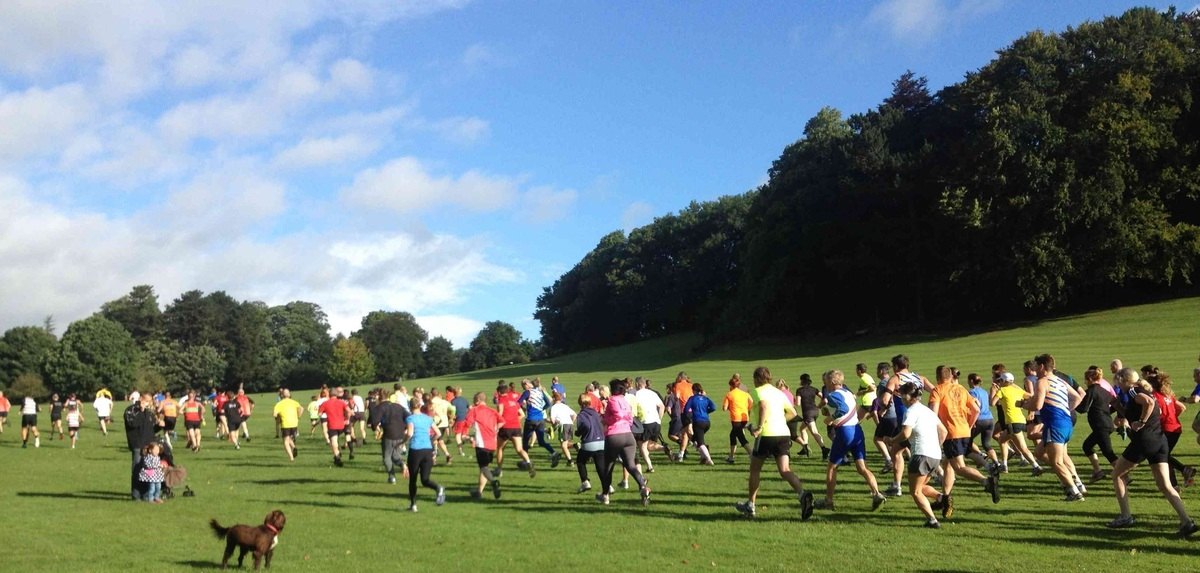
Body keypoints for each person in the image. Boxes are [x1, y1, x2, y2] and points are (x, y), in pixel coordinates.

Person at [1106, 368, 1198, 535]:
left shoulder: (1134, 390)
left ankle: (1125, 516)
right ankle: (1187, 522)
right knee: (1165, 485)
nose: (1116, 383)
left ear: (1123, 379)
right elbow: (1137, 409)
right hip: (1160, 441)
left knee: (1117, 475)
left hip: (1144, 441)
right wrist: (1117, 405)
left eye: (1117, 380)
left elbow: (1148, 403)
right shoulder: (1140, 391)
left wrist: (1141, 422)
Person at [734, 366, 815, 520]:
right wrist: (777, 420)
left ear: (757, 379)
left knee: (755, 469)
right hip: (783, 434)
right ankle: (802, 495)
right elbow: (793, 413)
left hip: (766, 435)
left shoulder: (758, 391)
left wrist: (759, 426)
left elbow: (763, 406)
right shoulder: (779, 392)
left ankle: (750, 505)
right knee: (785, 470)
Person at [929, 366, 999, 518]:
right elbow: (976, 410)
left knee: (959, 467)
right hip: (963, 430)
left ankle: (987, 482)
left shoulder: (938, 390)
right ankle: (946, 499)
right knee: (948, 464)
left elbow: (933, 414)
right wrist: (969, 425)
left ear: (938, 376)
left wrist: (933, 431)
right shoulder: (961, 389)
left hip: (950, 433)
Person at [815, 370, 887, 512]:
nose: (825, 384)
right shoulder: (847, 392)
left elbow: (843, 409)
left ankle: (828, 501)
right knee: (862, 468)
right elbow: (846, 407)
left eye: (827, 381)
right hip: (857, 431)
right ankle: (876, 494)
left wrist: (830, 418)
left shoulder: (832, 395)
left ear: (834, 382)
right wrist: (829, 412)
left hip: (844, 432)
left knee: (832, 467)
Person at [888, 381, 948, 528]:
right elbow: (944, 431)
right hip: (935, 455)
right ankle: (941, 498)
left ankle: (932, 520)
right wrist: (936, 446)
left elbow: (906, 433)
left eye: (903, 395)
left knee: (915, 492)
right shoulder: (928, 411)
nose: (901, 398)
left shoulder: (911, 411)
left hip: (921, 454)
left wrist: (891, 440)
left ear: (910, 396)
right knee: (921, 487)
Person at [1032, 354, 1086, 501]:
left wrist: (1023, 404)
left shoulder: (1042, 382)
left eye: (1036, 366)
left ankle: (1074, 491)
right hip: (1066, 423)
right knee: (1039, 452)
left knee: (1057, 462)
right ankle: (1070, 478)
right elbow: (1077, 396)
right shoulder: (1060, 380)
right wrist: (1066, 410)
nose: (1034, 369)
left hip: (1054, 425)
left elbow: (1037, 405)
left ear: (1042, 366)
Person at [599, 378, 650, 505]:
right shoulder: (625, 400)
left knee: (608, 467)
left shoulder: (612, 400)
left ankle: (605, 495)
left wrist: (606, 420)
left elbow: (615, 416)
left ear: (612, 390)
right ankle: (643, 486)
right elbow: (630, 418)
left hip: (614, 435)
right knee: (631, 465)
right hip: (628, 435)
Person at [1146, 369, 1193, 487]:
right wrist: (1172, 417)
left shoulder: (1154, 397)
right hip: (1175, 428)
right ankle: (1175, 484)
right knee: (1164, 457)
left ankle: (1184, 471)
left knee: (1162, 456)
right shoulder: (1167, 395)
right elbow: (1181, 408)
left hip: (1166, 430)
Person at [991, 371, 1040, 474]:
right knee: (1002, 440)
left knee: (1023, 447)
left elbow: (992, 403)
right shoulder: (1017, 391)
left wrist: (995, 391)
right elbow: (1031, 396)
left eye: (1000, 380)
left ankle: (1036, 466)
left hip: (1012, 422)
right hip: (1021, 420)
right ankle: (1004, 465)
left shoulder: (1002, 390)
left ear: (1003, 381)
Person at [1077, 366, 1118, 482]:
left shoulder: (1091, 391)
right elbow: (1115, 404)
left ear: (1089, 379)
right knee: (1087, 446)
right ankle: (1097, 471)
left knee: (1108, 452)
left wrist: (1073, 405)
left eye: (1085, 380)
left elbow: (1083, 409)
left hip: (1101, 426)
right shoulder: (1104, 391)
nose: (1085, 382)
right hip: (1107, 424)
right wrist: (1106, 413)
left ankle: (1124, 475)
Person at [405, 398, 445, 512]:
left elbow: (410, 433)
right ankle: (438, 488)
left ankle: (413, 505)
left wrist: (402, 442)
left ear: (410, 407)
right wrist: (431, 440)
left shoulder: (410, 418)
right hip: (427, 450)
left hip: (415, 450)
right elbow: (438, 433)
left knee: (413, 479)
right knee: (425, 479)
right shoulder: (428, 418)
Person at [464, 392, 501, 499]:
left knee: (483, 467)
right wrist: (496, 429)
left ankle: (494, 482)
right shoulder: (492, 410)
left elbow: (467, 423)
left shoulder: (474, 410)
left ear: (477, 400)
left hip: (481, 443)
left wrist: (465, 435)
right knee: (485, 467)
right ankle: (479, 492)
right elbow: (502, 421)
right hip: (492, 443)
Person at [124, 393, 159, 500]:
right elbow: (133, 424)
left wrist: (160, 425)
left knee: (147, 470)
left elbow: (151, 428)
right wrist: (141, 411)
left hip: (148, 445)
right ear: (141, 399)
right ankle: (136, 494)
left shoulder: (149, 412)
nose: (149, 403)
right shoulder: (131, 410)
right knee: (137, 469)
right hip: (137, 444)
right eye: (147, 400)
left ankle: (146, 493)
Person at [495, 382, 535, 477]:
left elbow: (500, 414)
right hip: (516, 427)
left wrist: (496, 426)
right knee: (519, 449)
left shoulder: (501, 401)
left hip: (505, 428)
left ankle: (499, 470)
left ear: (499, 392)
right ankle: (528, 463)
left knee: (500, 449)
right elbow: (522, 414)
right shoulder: (514, 401)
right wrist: (513, 419)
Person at [520, 379, 560, 467]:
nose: (523, 387)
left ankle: (526, 462)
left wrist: (522, 408)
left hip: (531, 419)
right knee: (541, 442)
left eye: (523, 385)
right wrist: (542, 408)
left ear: (528, 384)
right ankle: (554, 453)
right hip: (540, 420)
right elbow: (549, 403)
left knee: (525, 441)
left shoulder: (527, 392)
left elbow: (519, 402)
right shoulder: (540, 392)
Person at [573, 393, 606, 494]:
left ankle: (585, 482)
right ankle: (607, 485)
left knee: (580, 461)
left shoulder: (581, 415)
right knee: (600, 465)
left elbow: (585, 426)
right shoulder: (596, 413)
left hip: (589, 442)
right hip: (601, 442)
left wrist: (578, 433)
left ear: (580, 403)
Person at [375, 393, 410, 484]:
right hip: (400, 434)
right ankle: (403, 465)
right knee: (395, 456)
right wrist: (406, 428)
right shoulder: (399, 407)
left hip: (389, 434)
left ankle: (392, 477)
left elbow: (375, 421)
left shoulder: (382, 407)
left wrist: (377, 427)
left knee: (387, 457)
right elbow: (409, 417)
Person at [634, 377, 667, 470]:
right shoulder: (653, 393)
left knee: (642, 446)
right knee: (649, 445)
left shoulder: (636, 394)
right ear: (645, 384)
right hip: (656, 422)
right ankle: (664, 448)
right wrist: (659, 419)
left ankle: (650, 466)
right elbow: (661, 406)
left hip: (645, 422)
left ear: (637, 384)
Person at [966, 373, 997, 469]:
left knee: (966, 442)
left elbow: (974, 408)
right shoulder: (984, 391)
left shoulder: (972, 392)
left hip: (979, 420)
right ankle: (997, 463)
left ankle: (979, 458)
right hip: (989, 419)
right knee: (986, 444)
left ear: (971, 381)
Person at [795, 373, 828, 460]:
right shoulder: (814, 389)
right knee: (802, 429)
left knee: (814, 431)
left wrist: (794, 401)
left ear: (802, 381)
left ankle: (824, 448)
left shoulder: (799, 390)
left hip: (807, 413)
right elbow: (823, 397)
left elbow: (798, 403)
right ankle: (805, 447)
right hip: (816, 411)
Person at [722, 374, 753, 464]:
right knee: (732, 435)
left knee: (741, 437)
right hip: (745, 417)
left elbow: (724, 408)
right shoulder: (745, 394)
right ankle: (731, 457)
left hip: (736, 419)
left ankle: (752, 454)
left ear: (731, 386)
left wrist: (730, 407)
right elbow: (751, 403)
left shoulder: (729, 394)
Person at [683, 383, 717, 465]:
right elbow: (714, 407)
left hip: (698, 422)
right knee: (695, 439)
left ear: (693, 390)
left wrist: (690, 418)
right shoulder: (705, 398)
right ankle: (703, 457)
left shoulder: (692, 399)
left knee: (700, 442)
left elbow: (686, 409)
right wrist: (706, 411)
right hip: (707, 422)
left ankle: (709, 459)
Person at [319, 389, 353, 467]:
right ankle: (339, 453)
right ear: (337, 395)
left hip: (332, 425)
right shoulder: (342, 402)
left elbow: (320, 414)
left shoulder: (325, 403)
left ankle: (337, 457)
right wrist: (347, 419)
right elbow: (348, 411)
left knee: (334, 442)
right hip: (341, 425)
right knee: (340, 439)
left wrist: (324, 412)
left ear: (329, 395)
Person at [273, 389, 303, 461]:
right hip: (294, 424)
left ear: (282, 395)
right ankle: (294, 447)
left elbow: (274, 414)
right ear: (289, 395)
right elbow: (301, 408)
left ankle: (291, 458)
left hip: (285, 424)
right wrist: (298, 416)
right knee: (289, 438)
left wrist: (278, 418)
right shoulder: (294, 402)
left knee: (285, 441)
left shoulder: (279, 404)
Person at [549, 391, 576, 467]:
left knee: (563, 446)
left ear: (554, 399)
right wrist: (572, 422)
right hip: (570, 424)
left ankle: (570, 461)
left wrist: (549, 422)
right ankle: (576, 445)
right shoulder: (565, 406)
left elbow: (553, 420)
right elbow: (574, 415)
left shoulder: (553, 407)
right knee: (566, 443)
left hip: (563, 426)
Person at [428, 388, 454, 465]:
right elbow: (453, 409)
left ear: (431, 394)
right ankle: (447, 455)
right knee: (440, 440)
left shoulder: (432, 402)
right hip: (444, 423)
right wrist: (451, 418)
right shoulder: (444, 402)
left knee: (434, 440)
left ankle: (433, 459)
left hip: (436, 423)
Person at [673, 372, 695, 462]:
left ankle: (699, 444)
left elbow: (676, 397)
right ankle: (681, 454)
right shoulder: (691, 385)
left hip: (685, 411)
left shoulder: (677, 385)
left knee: (688, 432)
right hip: (693, 410)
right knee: (684, 433)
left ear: (680, 377)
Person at [449, 386, 470, 457]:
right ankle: (471, 439)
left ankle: (461, 451)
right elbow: (469, 408)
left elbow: (452, 411)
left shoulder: (453, 401)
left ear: (454, 393)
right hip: (466, 419)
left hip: (459, 420)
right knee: (463, 436)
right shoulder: (465, 400)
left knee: (458, 436)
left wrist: (452, 419)